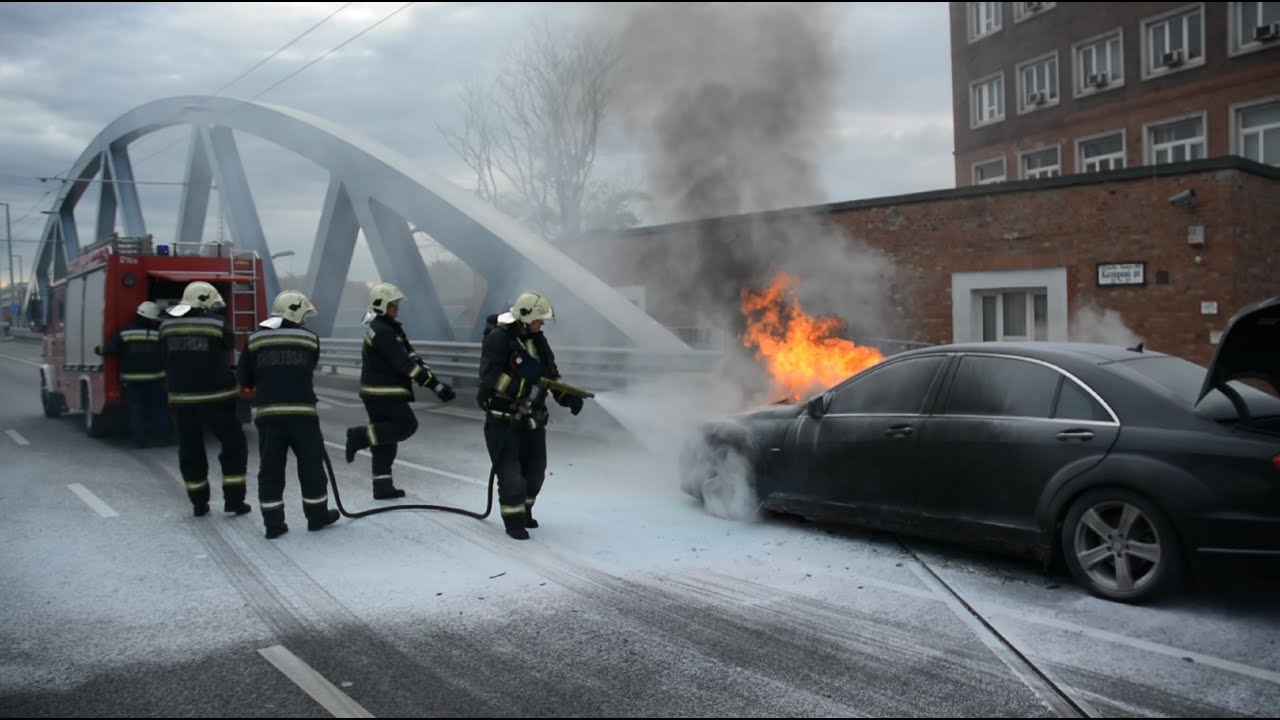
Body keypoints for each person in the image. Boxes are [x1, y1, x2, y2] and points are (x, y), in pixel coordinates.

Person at [477, 291, 584, 540]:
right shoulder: (498, 339)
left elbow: (550, 376)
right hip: (504, 418)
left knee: (536, 470)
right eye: (539, 319)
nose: (542, 324)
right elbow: (490, 376)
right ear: (525, 318)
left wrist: (567, 397)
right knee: (511, 472)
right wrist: (524, 390)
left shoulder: (538, 341)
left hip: (532, 419)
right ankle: (513, 521)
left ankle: (524, 511)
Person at [237, 290, 339, 539]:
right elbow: (308, 368)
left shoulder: (255, 340)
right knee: (312, 467)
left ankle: (274, 524)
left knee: (271, 470)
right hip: (303, 414)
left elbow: (244, 378)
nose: (305, 321)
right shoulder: (310, 339)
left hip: (269, 416)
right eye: (303, 315)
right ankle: (316, 517)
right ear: (294, 313)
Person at [343, 282, 456, 499]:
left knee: (385, 439)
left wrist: (429, 375)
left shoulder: (390, 328)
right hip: (383, 392)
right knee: (406, 425)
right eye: (393, 305)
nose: (397, 308)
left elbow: (411, 357)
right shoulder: (382, 331)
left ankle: (382, 485)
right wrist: (435, 386)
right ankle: (358, 436)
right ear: (382, 305)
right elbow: (403, 364)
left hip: (381, 392)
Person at [159, 281, 251, 517]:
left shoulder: (166, 326)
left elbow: (163, 357)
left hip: (182, 400)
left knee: (190, 449)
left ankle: (199, 502)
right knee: (233, 445)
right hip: (216, 397)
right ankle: (234, 500)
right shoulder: (217, 324)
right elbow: (229, 344)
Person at [96, 301, 171, 447]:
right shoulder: (159, 334)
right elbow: (167, 353)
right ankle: (164, 438)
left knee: (137, 410)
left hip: (132, 380)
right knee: (159, 409)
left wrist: (98, 350)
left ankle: (140, 440)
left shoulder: (125, 332)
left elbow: (111, 349)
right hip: (155, 379)